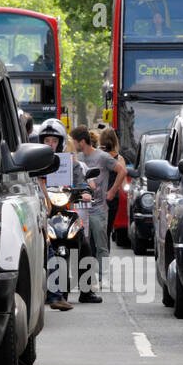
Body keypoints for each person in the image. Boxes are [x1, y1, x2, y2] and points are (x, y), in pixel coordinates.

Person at [70, 126, 118, 304]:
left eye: (74, 142)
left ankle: (103, 277)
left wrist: (112, 191)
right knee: (86, 245)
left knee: (101, 244)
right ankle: (87, 280)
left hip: (98, 208)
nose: (73, 146)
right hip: (80, 209)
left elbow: (122, 171)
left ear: (81, 142)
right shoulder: (77, 159)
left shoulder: (102, 156)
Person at [38, 118, 74, 311]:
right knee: (48, 253)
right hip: (42, 212)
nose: (50, 144)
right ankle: (55, 296)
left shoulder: (69, 163)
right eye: (47, 141)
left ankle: (87, 289)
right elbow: (39, 183)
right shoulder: (35, 162)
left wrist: (83, 191)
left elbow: (80, 181)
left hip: (61, 212)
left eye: (54, 141)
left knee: (84, 242)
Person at [99, 126, 128, 242]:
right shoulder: (119, 159)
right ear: (115, 141)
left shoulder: (96, 156)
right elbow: (124, 183)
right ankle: (105, 258)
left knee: (97, 231)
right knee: (107, 230)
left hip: (97, 197)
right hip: (112, 199)